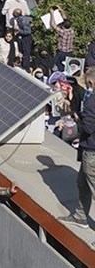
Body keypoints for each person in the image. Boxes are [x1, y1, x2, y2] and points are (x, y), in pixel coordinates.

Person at [60, 83, 95, 236]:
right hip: (90, 150)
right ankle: (80, 217)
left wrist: (77, 119)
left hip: (92, 151)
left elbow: (87, 128)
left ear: (92, 83)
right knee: (83, 183)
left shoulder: (92, 100)